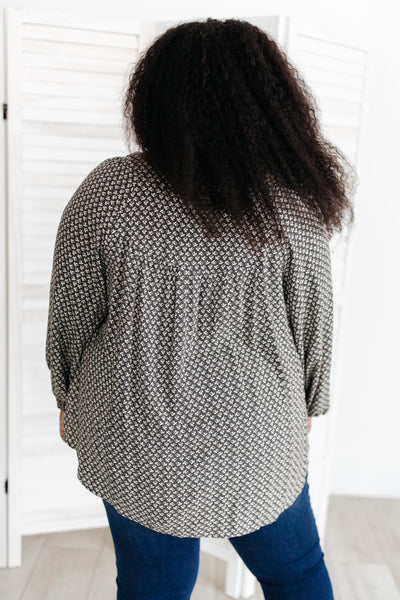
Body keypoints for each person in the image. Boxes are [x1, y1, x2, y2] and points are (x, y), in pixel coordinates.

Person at [46, 17, 357, 600]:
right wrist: (310, 403)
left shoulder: (107, 193)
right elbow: (315, 320)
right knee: (295, 574)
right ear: (272, 102)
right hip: (258, 434)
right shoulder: (291, 203)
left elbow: (71, 317)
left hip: (133, 432)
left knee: (152, 586)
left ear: (154, 98)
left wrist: (66, 396)